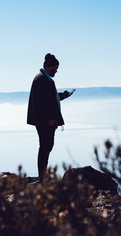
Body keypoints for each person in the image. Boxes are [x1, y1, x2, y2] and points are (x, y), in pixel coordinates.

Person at [27, 53, 73, 181]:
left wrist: (63, 96)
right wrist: (49, 119)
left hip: (42, 120)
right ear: (50, 66)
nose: (56, 71)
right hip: (45, 122)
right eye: (55, 68)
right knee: (45, 147)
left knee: (46, 146)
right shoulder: (43, 80)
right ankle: (42, 176)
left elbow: (49, 99)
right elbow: (43, 103)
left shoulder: (42, 78)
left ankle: (43, 175)